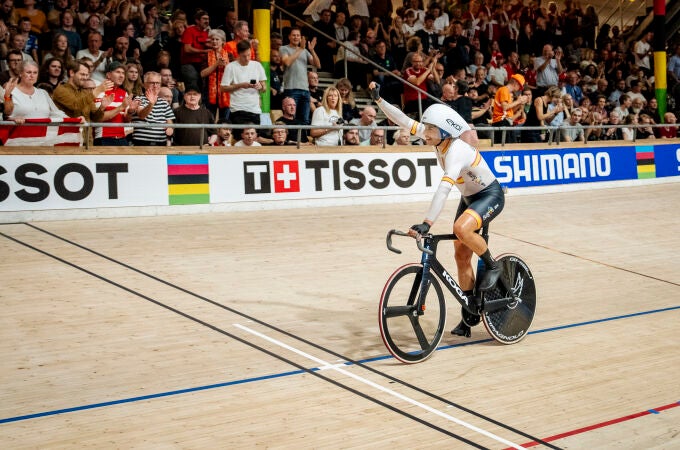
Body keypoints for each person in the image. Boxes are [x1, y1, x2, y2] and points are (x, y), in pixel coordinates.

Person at [368, 80, 504, 338]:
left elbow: (443, 189)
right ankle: (470, 313)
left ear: (443, 131)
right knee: (461, 258)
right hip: (470, 198)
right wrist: (379, 100)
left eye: (430, 128)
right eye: (426, 127)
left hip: (489, 194)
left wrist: (427, 223)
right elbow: (403, 120)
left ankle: (493, 265)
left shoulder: (457, 151)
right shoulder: (437, 139)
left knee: (459, 229)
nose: (424, 132)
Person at [3, 61, 69, 123]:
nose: (32, 75)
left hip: (43, 134)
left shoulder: (43, 93)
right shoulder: (11, 91)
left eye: (35, 73)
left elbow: (57, 113)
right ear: (20, 74)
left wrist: (75, 119)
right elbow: (5, 115)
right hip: (18, 132)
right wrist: (13, 119)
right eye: (28, 72)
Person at [220, 39, 267, 125]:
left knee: (254, 136)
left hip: (255, 110)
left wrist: (261, 86)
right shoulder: (231, 67)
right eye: (244, 56)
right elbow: (223, 88)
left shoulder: (257, 65)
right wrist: (241, 85)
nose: (247, 58)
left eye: (249, 55)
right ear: (238, 54)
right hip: (237, 109)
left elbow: (264, 88)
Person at [279, 27, 320, 125]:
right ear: (289, 37)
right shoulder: (284, 48)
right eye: (293, 35)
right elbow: (287, 62)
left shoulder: (305, 51)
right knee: (292, 118)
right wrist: (300, 49)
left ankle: (303, 140)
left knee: (305, 120)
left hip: (305, 90)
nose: (296, 37)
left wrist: (312, 50)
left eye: (298, 35)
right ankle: (293, 139)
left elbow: (317, 65)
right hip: (291, 88)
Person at [93, 61, 137, 146]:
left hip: (122, 139)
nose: (121, 76)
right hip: (103, 138)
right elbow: (98, 118)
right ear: (108, 75)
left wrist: (131, 112)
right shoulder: (99, 91)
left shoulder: (124, 93)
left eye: (123, 73)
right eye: (118, 72)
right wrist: (120, 107)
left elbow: (127, 120)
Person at [130, 71, 175, 146]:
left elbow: (169, 121)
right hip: (141, 143)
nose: (155, 86)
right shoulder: (138, 99)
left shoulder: (164, 102)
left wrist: (170, 128)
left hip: (160, 143)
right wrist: (151, 104)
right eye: (152, 83)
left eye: (158, 83)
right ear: (144, 85)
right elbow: (142, 115)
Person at [491, 74, 529, 143]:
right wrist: (518, 101)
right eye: (519, 86)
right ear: (515, 83)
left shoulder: (507, 92)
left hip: (505, 122)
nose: (518, 89)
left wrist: (520, 103)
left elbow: (510, 110)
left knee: (511, 145)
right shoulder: (504, 90)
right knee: (505, 147)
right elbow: (505, 107)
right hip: (501, 122)